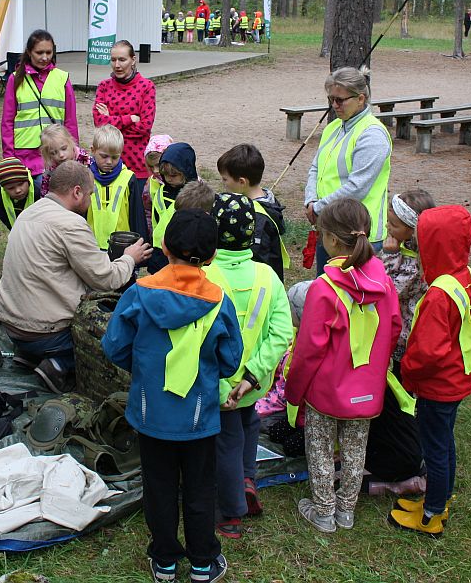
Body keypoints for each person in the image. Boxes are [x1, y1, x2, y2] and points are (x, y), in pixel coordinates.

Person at [101, 209, 241, 583]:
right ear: (212, 256)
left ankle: (164, 561)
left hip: (151, 416)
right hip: (199, 418)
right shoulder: (219, 302)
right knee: (199, 489)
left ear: (164, 246)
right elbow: (230, 361)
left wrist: (146, 369)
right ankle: (202, 562)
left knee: (158, 487)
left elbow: (114, 346)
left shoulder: (137, 294)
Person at [286, 199, 401, 533]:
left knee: (320, 447)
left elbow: (308, 350)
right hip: (367, 387)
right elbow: (393, 328)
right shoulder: (385, 284)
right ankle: (346, 510)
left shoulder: (325, 289)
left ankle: (324, 511)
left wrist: (295, 391)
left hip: (326, 389)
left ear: (332, 240)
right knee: (355, 446)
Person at [0, 161, 151, 393]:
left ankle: (30, 354)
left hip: (11, 324)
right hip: (43, 331)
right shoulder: (71, 224)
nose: (90, 201)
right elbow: (106, 279)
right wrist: (129, 258)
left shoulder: (29, 212)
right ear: (77, 192)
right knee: (113, 329)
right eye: (90, 194)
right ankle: (59, 363)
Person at [390, 205, 471, 537]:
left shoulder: (438, 295)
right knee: (444, 442)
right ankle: (440, 497)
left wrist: (408, 373)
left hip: (437, 385)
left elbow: (427, 352)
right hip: (460, 376)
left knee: (434, 447)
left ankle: (432, 515)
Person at [206, 194, 293, 540]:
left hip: (220, 386)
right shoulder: (267, 276)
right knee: (249, 423)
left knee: (225, 441)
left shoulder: (204, 276)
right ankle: (247, 479)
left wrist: (225, 386)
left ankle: (230, 512)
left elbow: (201, 342)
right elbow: (282, 331)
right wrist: (254, 375)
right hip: (253, 383)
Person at [365, 189, 438, 499]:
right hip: (399, 339)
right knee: (400, 394)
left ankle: (411, 449)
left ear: (413, 230)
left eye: (394, 225)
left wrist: (389, 253)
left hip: (408, 342)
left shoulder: (416, 264)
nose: (388, 229)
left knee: (408, 398)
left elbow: (387, 287)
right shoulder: (412, 255)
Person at [304, 67, 392, 274]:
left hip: (358, 234)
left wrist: (318, 208)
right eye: (331, 99)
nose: (334, 105)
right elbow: (316, 168)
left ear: (360, 99)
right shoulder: (333, 127)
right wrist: (310, 200)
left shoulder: (372, 135)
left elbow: (357, 187)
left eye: (340, 100)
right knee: (327, 295)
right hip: (329, 228)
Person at [0, 29, 78, 183]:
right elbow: (7, 121)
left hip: (55, 153)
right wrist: (9, 156)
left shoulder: (62, 78)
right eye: (39, 52)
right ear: (29, 52)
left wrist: (74, 151)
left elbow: (70, 120)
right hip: (24, 154)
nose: (44, 57)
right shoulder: (15, 79)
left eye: (49, 52)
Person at [217, 143, 287, 281]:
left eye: (225, 179)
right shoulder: (269, 200)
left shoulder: (255, 216)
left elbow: (258, 258)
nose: (223, 183)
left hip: (257, 285)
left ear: (242, 182)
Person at [93, 40, 156, 180]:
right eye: (113, 60)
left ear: (133, 60)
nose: (117, 65)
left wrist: (110, 121)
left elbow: (144, 127)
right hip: (107, 165)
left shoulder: (146, 87)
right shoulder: (103, 86)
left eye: (122, 60)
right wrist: (130, 119)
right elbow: (99, 123)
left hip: (137, 166)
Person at [87, 124, 148, 251]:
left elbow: (137, 216)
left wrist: (141, 246)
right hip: (91, 245)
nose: (109, 162)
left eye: (115, 157)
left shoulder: (129, 178)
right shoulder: (86, 176)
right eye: (104, 156)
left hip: (122, 246)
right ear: (93, 150)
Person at [149, 142, 198, 273]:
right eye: (165, 175)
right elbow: (156, 219)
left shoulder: (194, 195)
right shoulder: (160, 192)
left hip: (182, 252)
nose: (169, 179)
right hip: (160, 249)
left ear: (186, 171)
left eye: (174, 175)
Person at [39, 123, 91, 196]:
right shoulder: (50, 172)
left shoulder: (85, 160)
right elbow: (45, 194)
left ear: (70, 141)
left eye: (64, 148)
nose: (61, 155)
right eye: (54, 153)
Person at [0, 156, 35, 230]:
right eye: (11, 188)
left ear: (27, 180)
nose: (18, 190)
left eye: (21, 184)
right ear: (4, 189)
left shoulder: (40, 192)